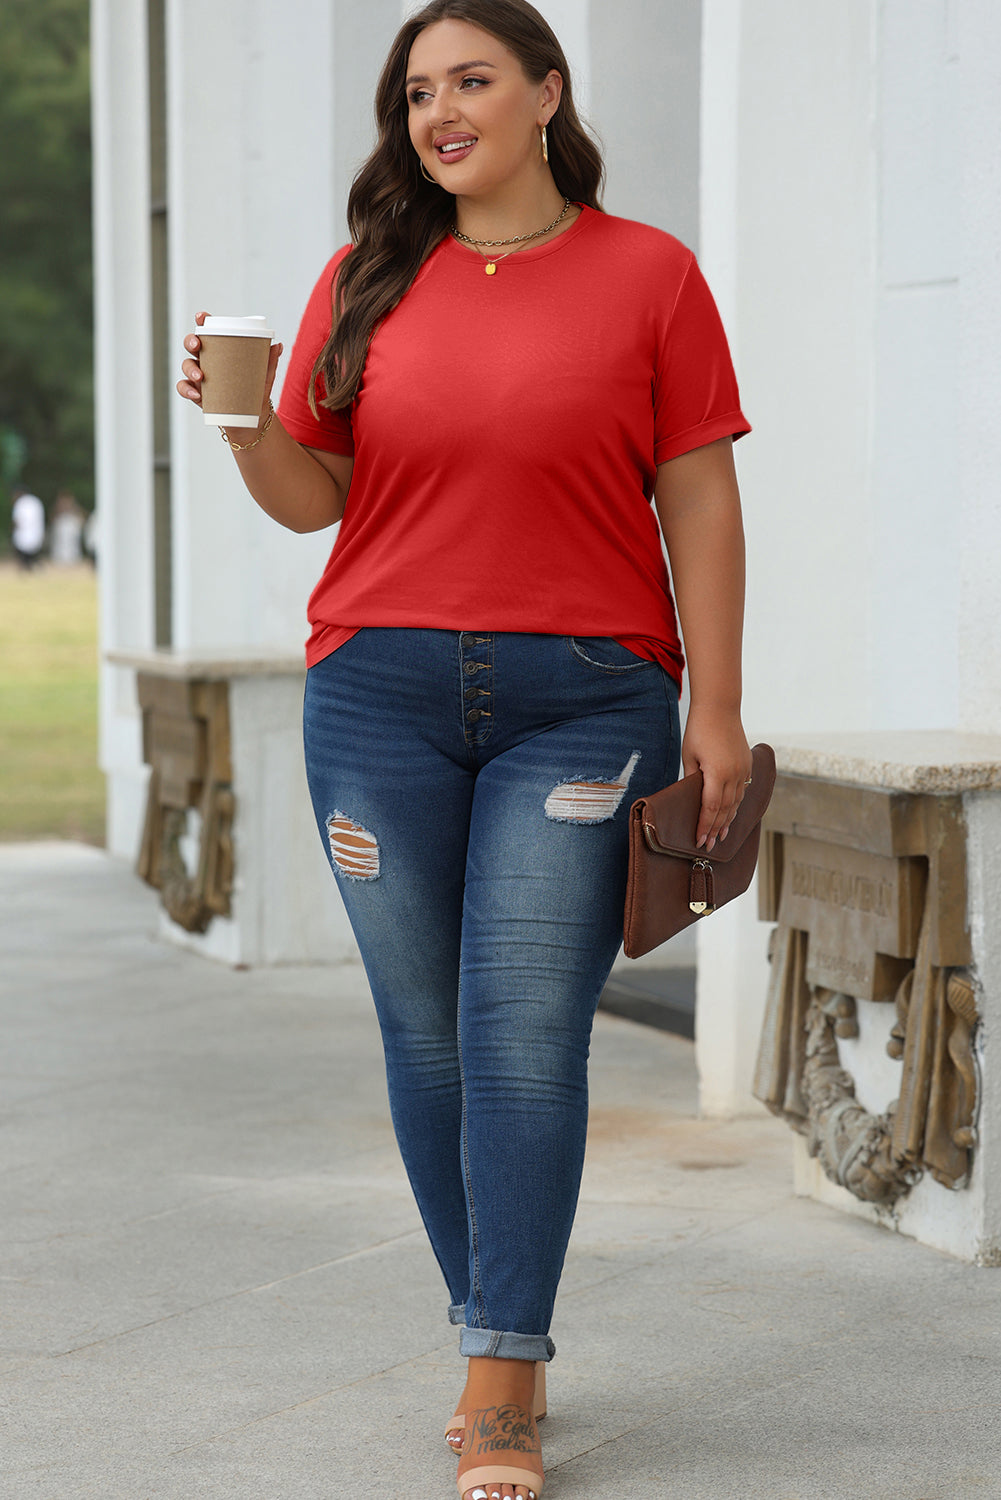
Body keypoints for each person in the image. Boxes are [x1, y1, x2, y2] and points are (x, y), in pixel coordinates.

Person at [177, 3, 752, 1495]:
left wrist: (718, 707)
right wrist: (243, 427)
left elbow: (698, 499)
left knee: (517, 1030)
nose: (441, 110)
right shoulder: (362, 279)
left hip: (584, 702)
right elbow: (317, 503)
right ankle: (488, 1321)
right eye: (418, 90)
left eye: (472, 80)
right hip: (376, 700)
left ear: (546, 95)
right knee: (424, 1033)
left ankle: (505, 1370)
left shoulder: (650, 276)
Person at [11, 486, 46, 570]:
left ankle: (27, 566)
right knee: (31, 553)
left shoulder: (20, 503)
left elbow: (17, 520)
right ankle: (33, 566)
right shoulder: (36, 501)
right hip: (37, 532)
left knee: (24, 553)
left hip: (23, 533)